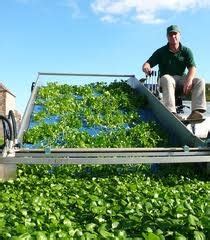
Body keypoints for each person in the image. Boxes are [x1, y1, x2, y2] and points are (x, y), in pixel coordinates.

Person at [142, 25, 206, 121]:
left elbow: (192, 67)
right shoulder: (161, 51)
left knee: (200, 80)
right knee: (167, 78)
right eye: (170, 35)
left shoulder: (186, 51)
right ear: (167, 37)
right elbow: (147, 64)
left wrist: (189, 80)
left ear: (179, 35)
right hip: (165, 81)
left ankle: (196, 112)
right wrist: (146, 67)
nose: (173, 37)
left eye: (175, 34)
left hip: (180, 81)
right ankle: (171, 113)